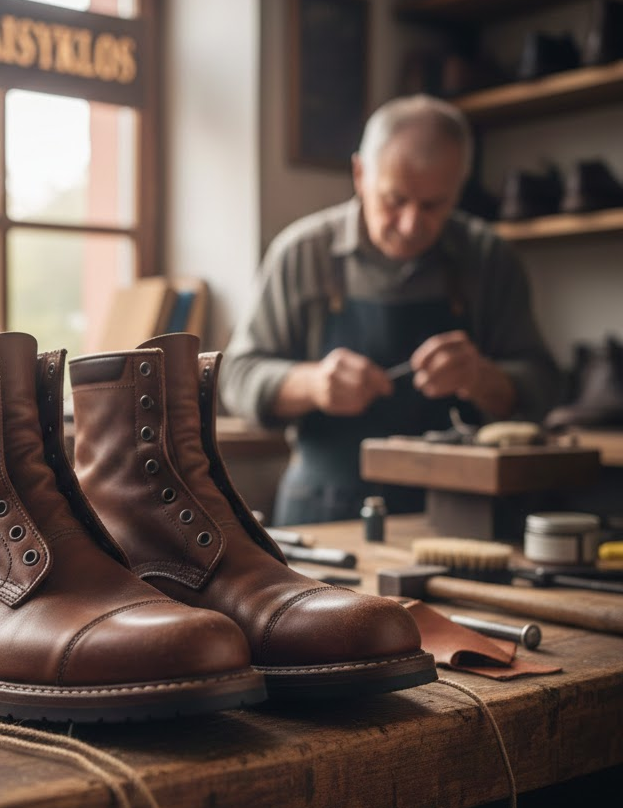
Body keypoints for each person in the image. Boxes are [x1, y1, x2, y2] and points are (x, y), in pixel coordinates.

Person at [219, 93, 562, 525]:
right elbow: (237, 377)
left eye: (433, 205)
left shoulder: (488, 259)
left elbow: (543, 384)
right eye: (395, 200)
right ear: (360, 174)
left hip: (458, 514)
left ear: (459, 187)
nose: (411, 224)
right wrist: (314, 384)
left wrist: (482, 378)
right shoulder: (301, 254)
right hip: (322, 511)